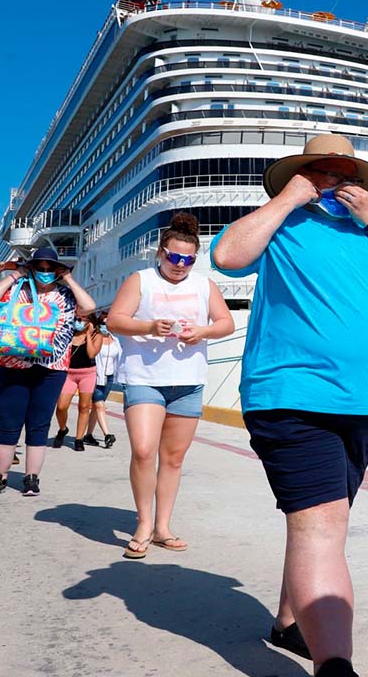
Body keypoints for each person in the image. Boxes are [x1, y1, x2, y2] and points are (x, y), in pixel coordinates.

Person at [212, 134, 368, 677]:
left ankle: (289, 623)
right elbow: (226, 256)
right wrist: (288, 199)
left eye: (346, 173)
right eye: (324, 172)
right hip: (293, 394)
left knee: (323, 521)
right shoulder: (283, 225)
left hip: (367, 403)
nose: (337, 182)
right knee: (322, 525)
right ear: (303, 175)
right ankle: (335, 666)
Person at [107, 212, 235, 559]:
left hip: (188, 381)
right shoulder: (141, 280)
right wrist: (148, 327)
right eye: (174, 257)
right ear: (161, 252)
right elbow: (115, 319)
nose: (180, 265)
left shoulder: (203, 285)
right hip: (145, 378)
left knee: (174, 458)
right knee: (144, 451)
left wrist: (202, 331)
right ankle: (144, 522)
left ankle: (163, 527)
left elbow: (226, 323)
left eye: (188, 260)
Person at [0, 248, 95, 497]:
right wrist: (15, 275)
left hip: (52, 367)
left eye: (49, 268)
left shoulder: (65, 294)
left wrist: (69, 279)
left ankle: (31, 478)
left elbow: (89, 307)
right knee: (9, 424)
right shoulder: (17, 292)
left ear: (57, 270)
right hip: (15, 363)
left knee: (39, 425)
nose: (44, 273)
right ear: (31, 268)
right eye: (39, 268)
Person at [51, 315, 102, 451]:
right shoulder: (69, 333)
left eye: (82, 319)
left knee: (84, 407)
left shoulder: (97, 336)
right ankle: (63, 429)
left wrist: (88, 335)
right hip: (69, 373)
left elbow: (91, 354)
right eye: (77, 319)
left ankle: (79, 439)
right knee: (61, 406)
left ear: (90, 322)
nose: (78, 322)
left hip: (87, 374)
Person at [89, 315, 122, 449]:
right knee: (100, 406)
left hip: (108, 377)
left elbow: (119, 359)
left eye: (109, 324)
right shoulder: (94, 338)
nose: (105, 326)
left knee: (97, 408)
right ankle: (107, 434)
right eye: (103, 323)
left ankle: (88, 435)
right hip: (95, 376)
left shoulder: (116, 340)